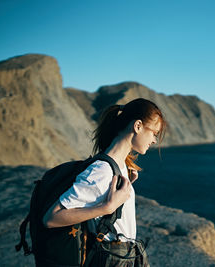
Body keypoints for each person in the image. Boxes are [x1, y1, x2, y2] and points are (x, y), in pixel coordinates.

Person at [42, 98, 167, 266]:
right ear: (137, 126)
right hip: (111, 258)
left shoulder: (119, 166)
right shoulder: (101, 171)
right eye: (154, 133)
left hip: (125, 256)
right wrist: (107, 207)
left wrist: (124, 187)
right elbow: (51, 218)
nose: (154, 140)